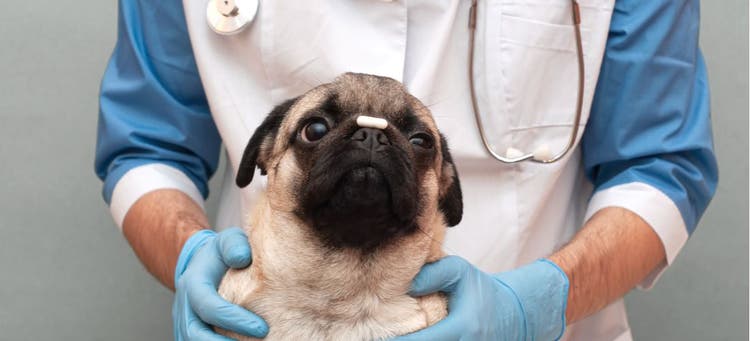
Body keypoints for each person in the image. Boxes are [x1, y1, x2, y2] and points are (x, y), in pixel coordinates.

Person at [94, 0, 717, 340]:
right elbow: (147, 147)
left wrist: (537, 306)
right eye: (317, 134)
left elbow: (660, 165)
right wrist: (188, 256)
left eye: (415, 143)